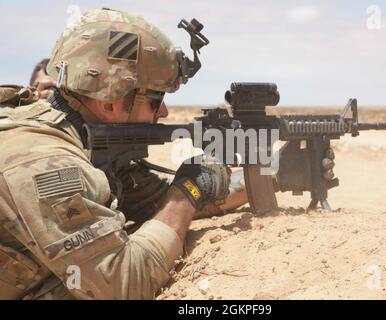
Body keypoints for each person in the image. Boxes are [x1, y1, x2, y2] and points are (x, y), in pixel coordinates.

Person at [0, 7, 235, 300]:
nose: (162, 112)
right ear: (110, 101)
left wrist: (276, 175)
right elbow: (124, 286)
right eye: (155, 98)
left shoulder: (87, 142)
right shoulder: (44, 162)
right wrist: (188, 190)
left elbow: (156, 201)